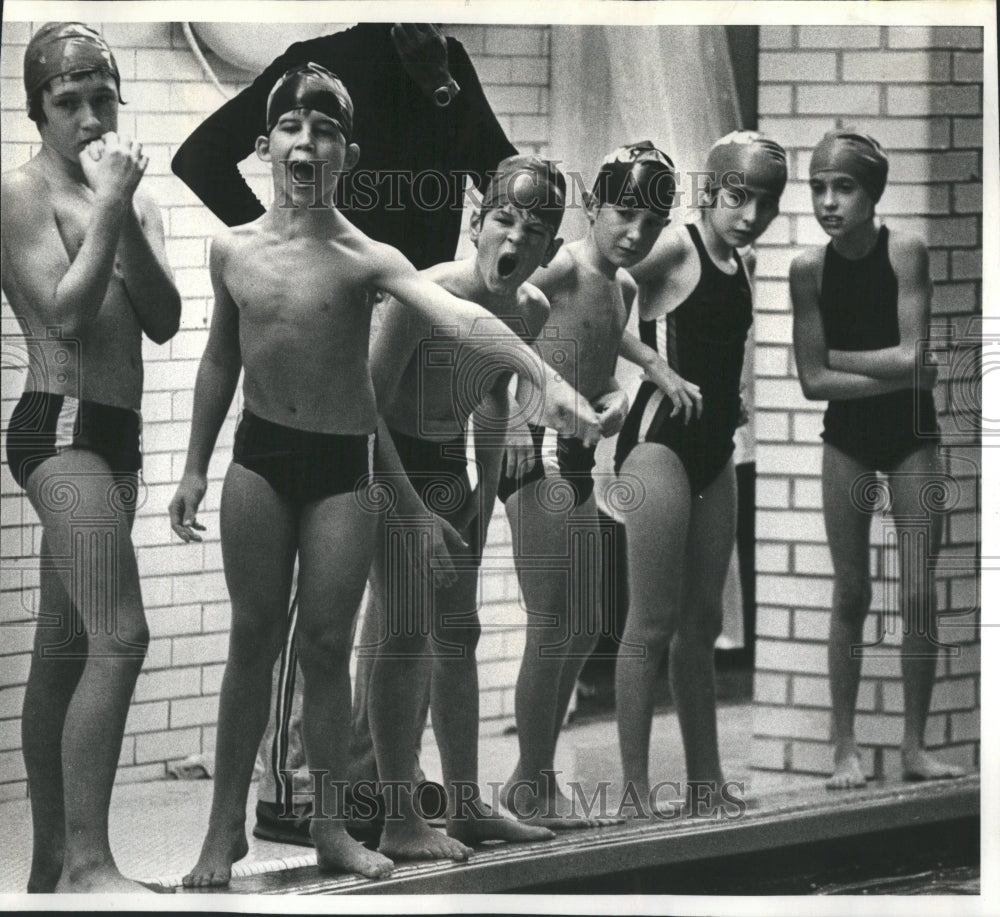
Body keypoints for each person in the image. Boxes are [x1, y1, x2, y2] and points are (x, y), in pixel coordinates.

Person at [168, 64, 597, 887]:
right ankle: (222, 831)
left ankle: (335, 827)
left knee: (330, 648)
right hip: (261, 459)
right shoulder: (232, 248)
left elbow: (466, 320)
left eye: (326, 129)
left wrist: (547, 381)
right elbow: (221, 357)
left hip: (342, 468)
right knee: (252, 640)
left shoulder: (371, 258)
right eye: (292, 125)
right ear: (266, 146)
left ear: (349, 154)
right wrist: (191, 463)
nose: (307, 139)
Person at [0, 23, 181, 892]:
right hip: (58, 426)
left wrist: (123, 206)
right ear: (37, 109)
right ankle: (87, 861)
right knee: (123, 634)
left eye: (100, 98)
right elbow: (65, 316)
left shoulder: (132, 197)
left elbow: (164, 315)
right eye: (66, 102)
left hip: (115, 439)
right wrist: (107, 203)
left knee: (65, 650)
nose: (87, 116)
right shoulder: (21, 193)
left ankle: (44, 869)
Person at [366, 155, 574, 859]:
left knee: (460, 632)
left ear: (550, 247)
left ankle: (462, 804)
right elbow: (363, 407)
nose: (516, 239)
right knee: (401, 636)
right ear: (476, 222)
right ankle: (398, 814)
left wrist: (484, 494)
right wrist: (413, 512)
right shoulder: (423, 295)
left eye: (537, 228)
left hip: (450, 468)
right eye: (505, 219)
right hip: (386, 463)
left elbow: (489, 390)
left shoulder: (532, 308)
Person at [497, 142, 701, 827]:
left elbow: (608, 356)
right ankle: (532, 779)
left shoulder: (626, 288)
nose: (635, 233)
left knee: (584, 626)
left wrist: (621, 395)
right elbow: (498, 325)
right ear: (593, 206)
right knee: (552, 624)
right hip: (535, 450)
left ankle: (533, 774)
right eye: (623, 214)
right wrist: (514, 413)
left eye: (652, 220)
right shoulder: (560, 265)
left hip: (580, 457)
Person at [612, 131, 787, 814]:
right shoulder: (678, 243)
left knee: (702, 620)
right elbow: (603, 293)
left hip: (716, 449)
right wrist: (653, 366)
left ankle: (706, 782)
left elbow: (720, 343)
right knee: (651, 620)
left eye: (765, 205)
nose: (750, 216)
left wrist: (734, 394)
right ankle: (630, 790)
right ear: (710, 191)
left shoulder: (739, 263)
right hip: (659, 445)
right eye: (739, 198)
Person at [790, 129, 965, 790]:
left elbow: (908, 356)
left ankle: (914, 746)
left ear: (873, 192)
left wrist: (839, 361)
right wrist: (893, 369)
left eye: (843, 187)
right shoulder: (808, 268)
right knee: (852, 589)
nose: (828, 201)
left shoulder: (906, 252)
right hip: (848, 438)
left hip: (911, 433)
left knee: (918, 593)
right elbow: (812, 383)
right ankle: (845, 749)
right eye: (818, 188)